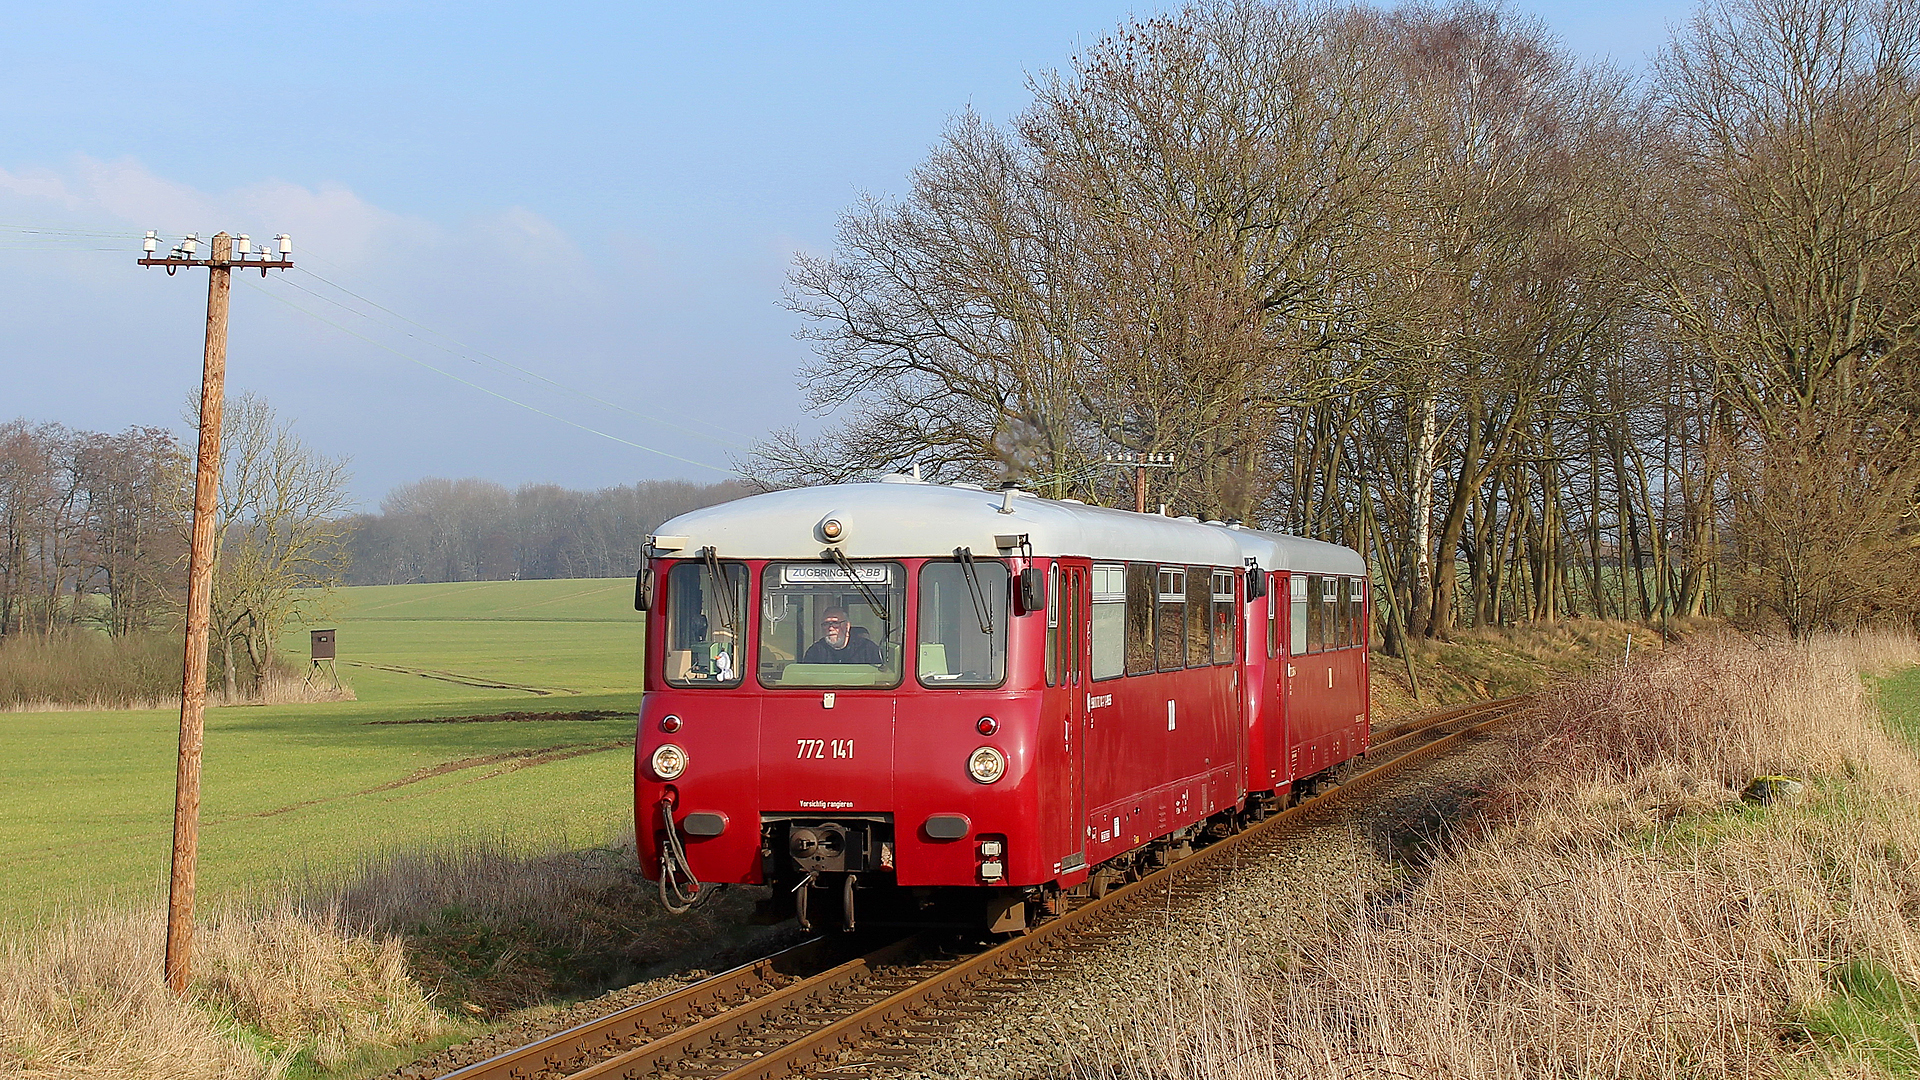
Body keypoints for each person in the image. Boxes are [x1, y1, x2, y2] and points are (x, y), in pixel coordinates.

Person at [802, 607, 883, 665]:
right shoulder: (815, 651)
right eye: (826, 624)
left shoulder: (867, 649)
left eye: (835, 623)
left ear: (847, 626)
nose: (830, 628)